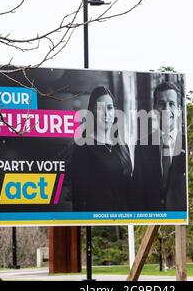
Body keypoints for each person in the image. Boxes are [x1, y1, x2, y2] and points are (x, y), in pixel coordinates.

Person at [71, 86, 132, 211]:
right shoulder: (83, 147)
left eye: (109, 108)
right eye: (100, 108)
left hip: (123, 219)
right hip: (98, 221)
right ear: (91, 111)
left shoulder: (122, 146)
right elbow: (78, 197)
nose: (106, 114)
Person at [130, 81, 187, 211]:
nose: (166, 110)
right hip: (151, 218)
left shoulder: (187, 144)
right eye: (162, 104)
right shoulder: (142, 146)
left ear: (178, 110)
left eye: (171, 104)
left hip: (181, 216)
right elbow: (137, 192)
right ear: (155, 109)